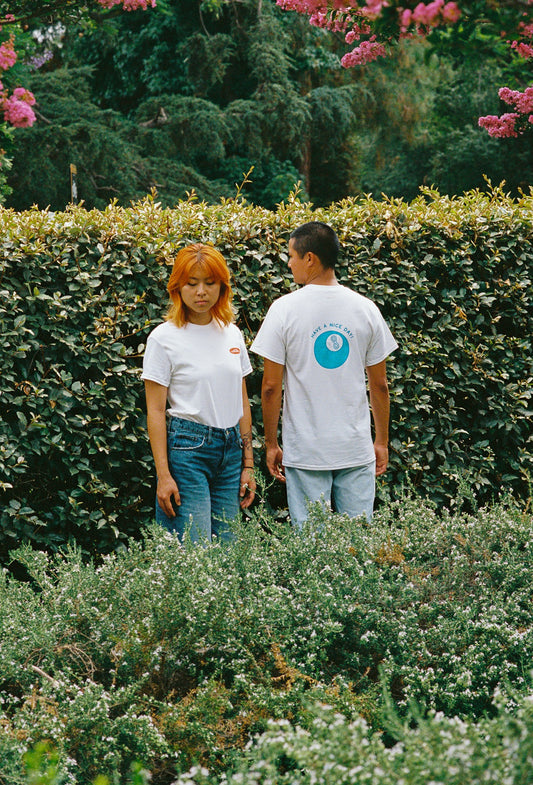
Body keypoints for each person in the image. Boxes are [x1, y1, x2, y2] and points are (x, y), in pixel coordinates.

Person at [250, 221, 397, 527]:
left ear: (310, 258)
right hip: (355, 448)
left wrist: (271, 444)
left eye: (291, 255)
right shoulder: (366, 309)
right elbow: (380, 385)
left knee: (310, 546)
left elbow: (270, 387)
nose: (288, 263)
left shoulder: (283, 310)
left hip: (305, 450)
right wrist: (381, 441)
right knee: (358, 545)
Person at [142, 243, 256, 542]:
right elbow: (155, 410)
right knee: (193, 553)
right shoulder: (164, 339)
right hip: (188, 452)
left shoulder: (231, 332)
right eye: (192, 284)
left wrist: (248, 464)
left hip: (231, 452)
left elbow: (241, 399)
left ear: (222, 287)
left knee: (229, 555)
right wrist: (163, 475)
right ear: (177, 287)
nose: (201, 292)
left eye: (210, 283)